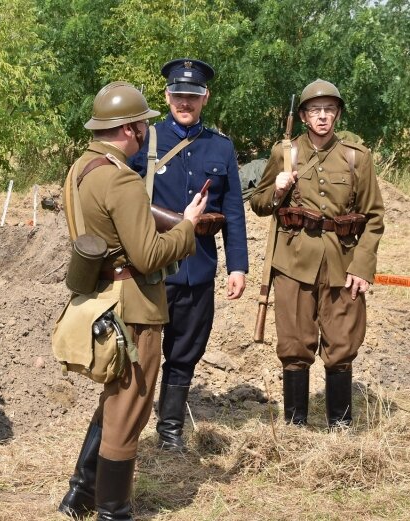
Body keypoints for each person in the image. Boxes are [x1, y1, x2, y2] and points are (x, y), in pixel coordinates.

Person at [57, 81, 207, 520]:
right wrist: (188, 227)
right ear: (129, 129)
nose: (145, 131)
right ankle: (113, 511)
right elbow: (148, 255)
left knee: (113, 402)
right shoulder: (120, 179)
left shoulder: (80, 169)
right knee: (129, 411)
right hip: (133, 308)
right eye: (142, 124)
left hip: (100, 300)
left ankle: (81, 494)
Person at [249, 79, 385, 428]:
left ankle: (340, 425)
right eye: (315, 110)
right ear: (304, 116)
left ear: (337, 114)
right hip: (293, 262)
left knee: (342, 344)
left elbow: (373, 217)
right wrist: (278, 190)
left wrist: (363, 267)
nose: (322, 117)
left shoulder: (358, 157)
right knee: (295, 344)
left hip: (343, 263)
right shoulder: (286, 153)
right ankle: (295, 425)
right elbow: (259, 205)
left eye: (329, 110)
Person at [128, 58, 248, 451]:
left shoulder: (220, 146)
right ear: (167, 96)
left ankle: (170, 431)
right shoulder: (146, 141)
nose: (185, 102)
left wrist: (238, 267)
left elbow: (232, 212)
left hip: (197, 266)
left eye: (193, 96)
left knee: (185, 350)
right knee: (140, 351)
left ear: (205, 98)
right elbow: (124, 198)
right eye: (179, 95)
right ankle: (128, 427)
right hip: (151, 266)